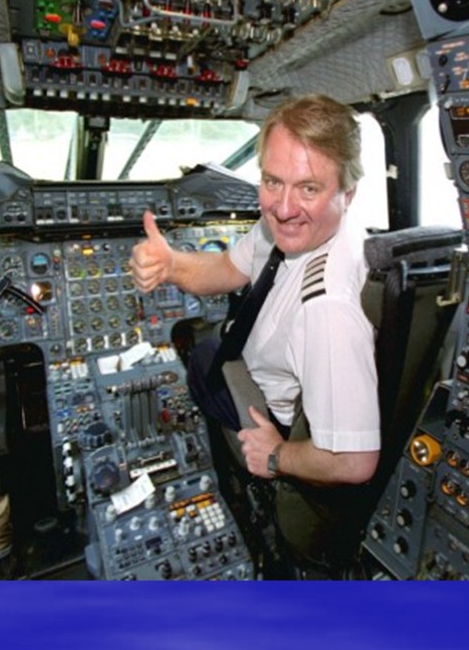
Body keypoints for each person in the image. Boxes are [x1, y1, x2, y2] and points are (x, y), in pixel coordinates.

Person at [130, 94, 379, 573]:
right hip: (263, 357)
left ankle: (229, 467)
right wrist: (171, 264)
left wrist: (276, 455)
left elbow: (353, 461)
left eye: (309, 188)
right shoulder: (289, 229)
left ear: (348, 193)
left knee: (202, 358)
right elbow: (227, 267)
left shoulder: (328, 310)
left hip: (270, 412)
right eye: (272, 181)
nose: (282, 208)